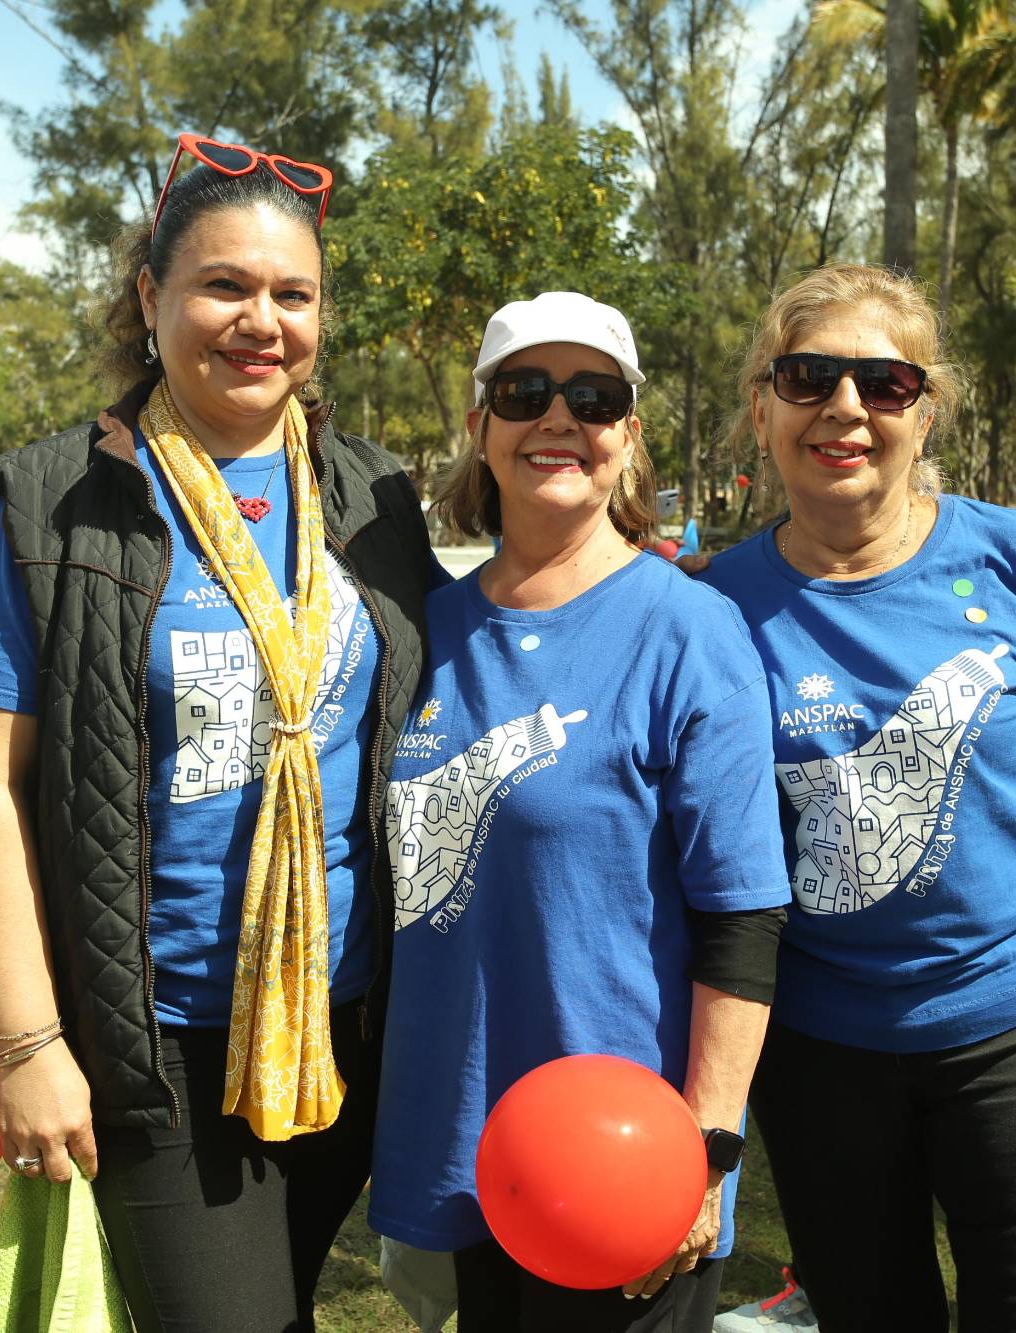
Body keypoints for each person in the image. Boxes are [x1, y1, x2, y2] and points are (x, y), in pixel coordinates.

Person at [0, 132, 438, 1333]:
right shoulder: (55, 504)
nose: (260, 322)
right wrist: (28, 1042)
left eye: (292, 295)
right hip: (154, 1040)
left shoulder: (372, 497)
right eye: (224, 285)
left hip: (346, 1024)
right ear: (149, 295)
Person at [698, 262, 1016, 1332]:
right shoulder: (710, 607)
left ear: (924, 415)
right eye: (808, 376)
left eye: (884, 382)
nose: (845, 406)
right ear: (761, 406)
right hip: (820, 1048)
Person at [367, 292, 791, 1333]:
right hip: (465, 1133)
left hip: (621, 1156)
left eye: (592, 397)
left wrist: (705, 1147)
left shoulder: (689, 631)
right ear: (481, 427)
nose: (558, 417)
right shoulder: (421, 629)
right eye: (525, 392)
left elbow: (743, 915)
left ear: (628, 437)